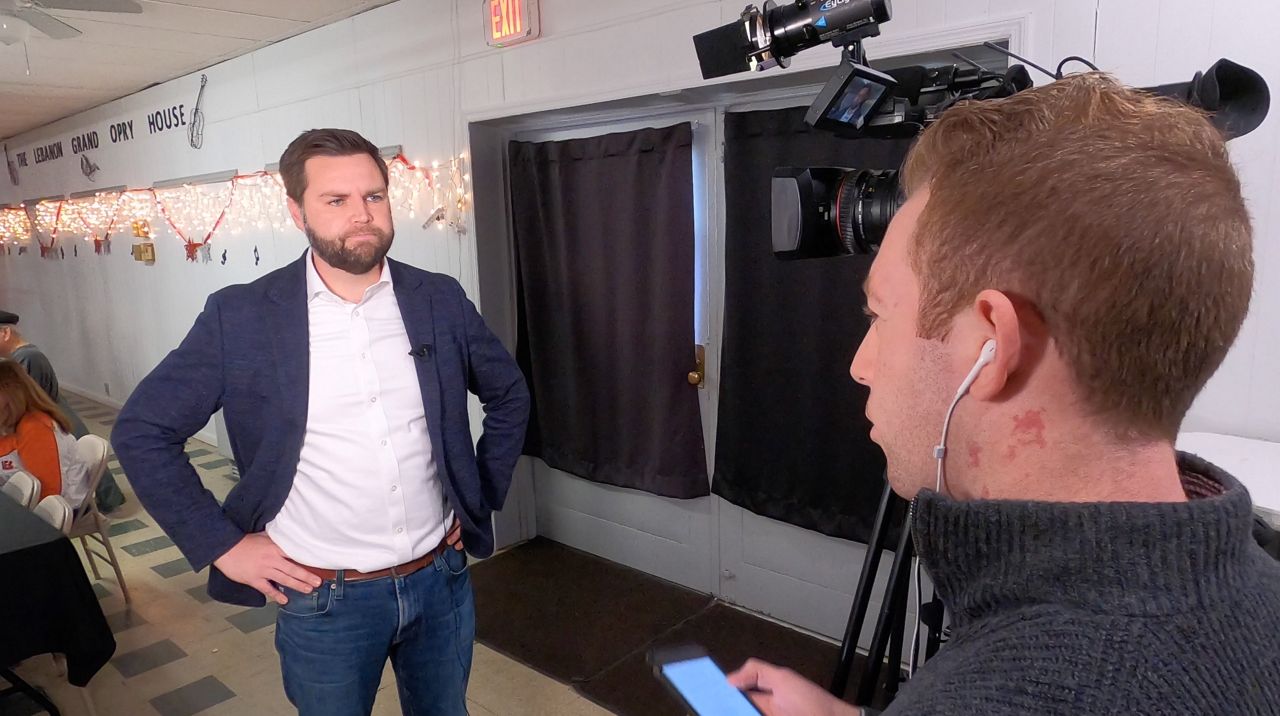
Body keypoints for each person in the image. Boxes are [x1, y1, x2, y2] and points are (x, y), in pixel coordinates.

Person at [727, 73, 1280, 714]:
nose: (859, 365)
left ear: (991, 344)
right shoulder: (1258, 584)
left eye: (879, 316)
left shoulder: (995, 693)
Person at [112, 128, 531, 716]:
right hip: (324, 601)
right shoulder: (243, 316)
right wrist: (223, 545)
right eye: (336, 200)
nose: (361, 215)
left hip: (440, 581)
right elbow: (142, 432)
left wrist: (478, 495)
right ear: (296, 210)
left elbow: (509, 395)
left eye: (374, 196)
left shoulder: (437, 298)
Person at [0, 311, 127, 512]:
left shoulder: (27, 356)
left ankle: (106, 504)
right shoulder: (20, 358)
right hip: (52, 418)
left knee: (77, 469)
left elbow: (27, 399)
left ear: (5, 332)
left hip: (52, 421)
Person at [0, 360, 91, 509]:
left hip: (54, 512)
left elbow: (50, 494)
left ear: (10, 394)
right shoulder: (10, 423)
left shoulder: (36, 428)